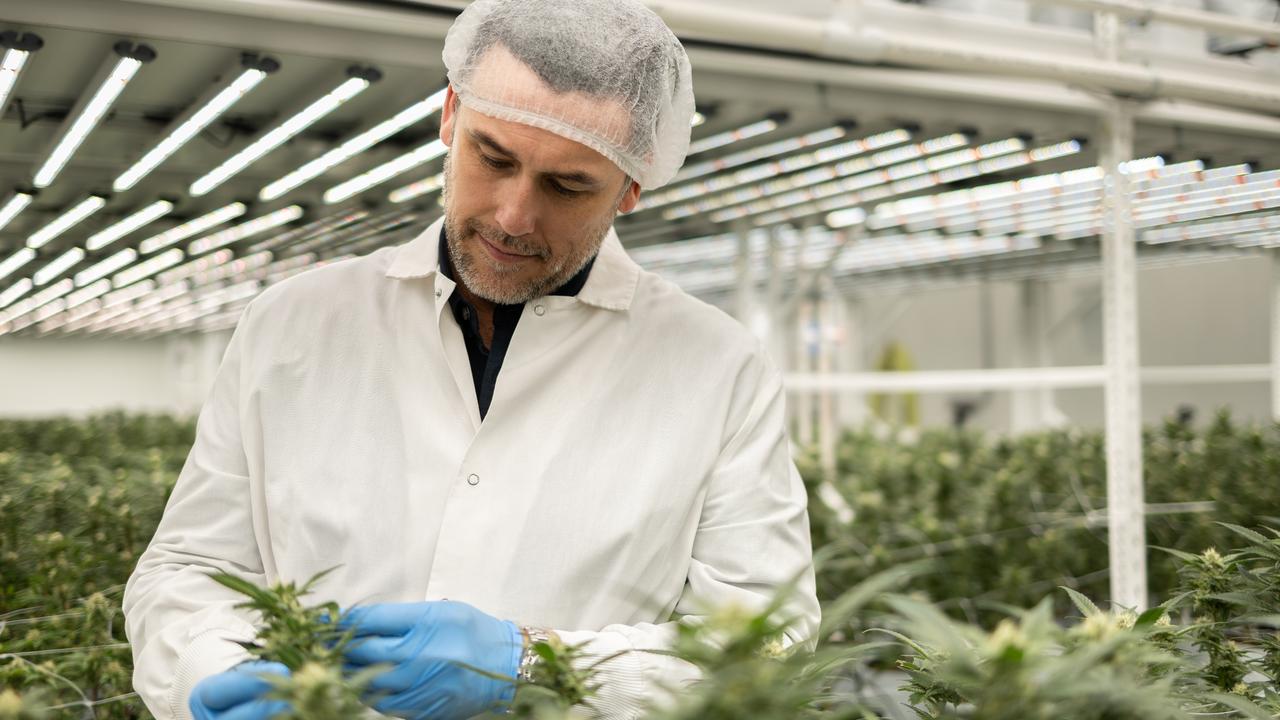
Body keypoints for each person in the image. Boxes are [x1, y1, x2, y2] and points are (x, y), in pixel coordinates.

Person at [122, 0, 820, 717]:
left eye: (567, 185)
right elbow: (190, 569)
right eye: (494, 157)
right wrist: (207, 672)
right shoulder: (294, 324)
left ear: (631, 187)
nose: (514, 215)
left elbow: (771, 640)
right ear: (450, 115)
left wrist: (536, 663)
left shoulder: (718, 368)